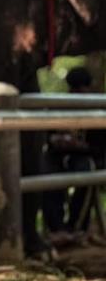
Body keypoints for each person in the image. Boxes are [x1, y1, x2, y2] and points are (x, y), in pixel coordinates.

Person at [43, 66, 100, 247]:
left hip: (86, 156)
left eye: (81, 89)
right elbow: (47, 136)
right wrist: (56, 140)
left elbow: (99, 148)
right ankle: (56, 228)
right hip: (59, 155)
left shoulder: (96, 108)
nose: (78, 93)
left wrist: (80, 145)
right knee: (46, 169)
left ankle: (76, 227)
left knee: (87, 171)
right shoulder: (61, 106)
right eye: (74, 88)